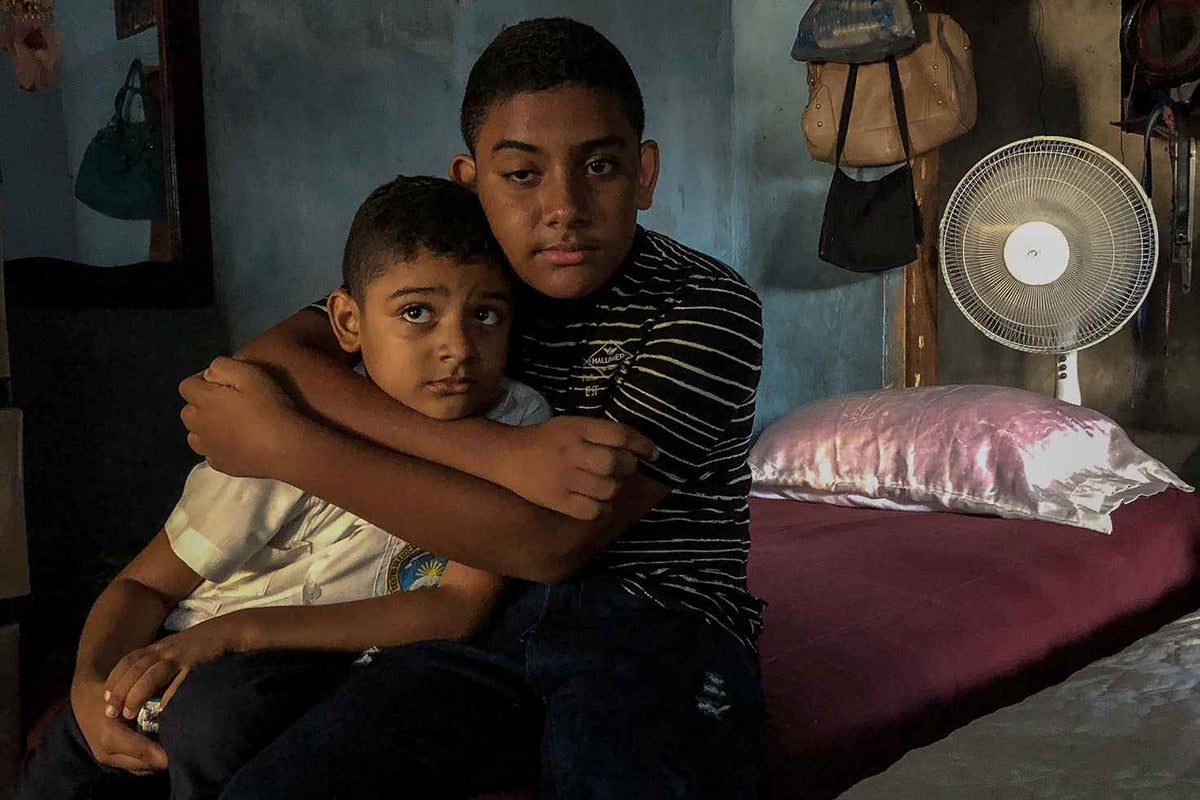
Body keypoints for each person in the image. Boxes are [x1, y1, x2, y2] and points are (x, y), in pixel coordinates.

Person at [182, 17, 767, 800]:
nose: (563, 207)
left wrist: (289, 449)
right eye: (522, 174)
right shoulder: (463, 284)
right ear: (469, 181)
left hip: (660, 620)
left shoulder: (705, 306)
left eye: (600, 166)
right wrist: (503, 454)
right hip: (480, 623)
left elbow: (553, 546)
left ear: (645, 172)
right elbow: (275, 357)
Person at [17, 175, 551, 800]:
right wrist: (88, 683)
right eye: (416, 313)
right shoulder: (284, 421)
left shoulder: (519, 424)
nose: (457, 347)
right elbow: (145, 584)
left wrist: (241, 633)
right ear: (347, 320)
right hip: (189, 636)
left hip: (294, 658)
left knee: (219, 718)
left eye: (485, 315)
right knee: (72, 758)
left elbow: (457, 606)